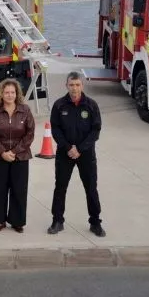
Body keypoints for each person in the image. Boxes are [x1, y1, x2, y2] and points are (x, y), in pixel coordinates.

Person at [48, 73, 104, 237]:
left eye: (78, 85)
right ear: (66, 86)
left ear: (82, 86)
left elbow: (96, 130)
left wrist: (80, 148)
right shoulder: (59, 105)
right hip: (65, 154)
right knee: (60, 187)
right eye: (71, 85)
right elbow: (55, 129)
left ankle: (95, 222)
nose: (74, 88)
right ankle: (57, 221)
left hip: (86, 154)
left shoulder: (91, 105)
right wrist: (68, 148)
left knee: (91, 188)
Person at [0, 78, 35, 232]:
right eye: (7, 92)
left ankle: (17, 221)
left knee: (19, 189)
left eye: (13, 92)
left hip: (20, 156)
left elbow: (30, 134)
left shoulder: (25, 110)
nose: (10, 95)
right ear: (1, 94)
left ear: (17, 93)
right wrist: (2, 153)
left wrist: (14, 152)